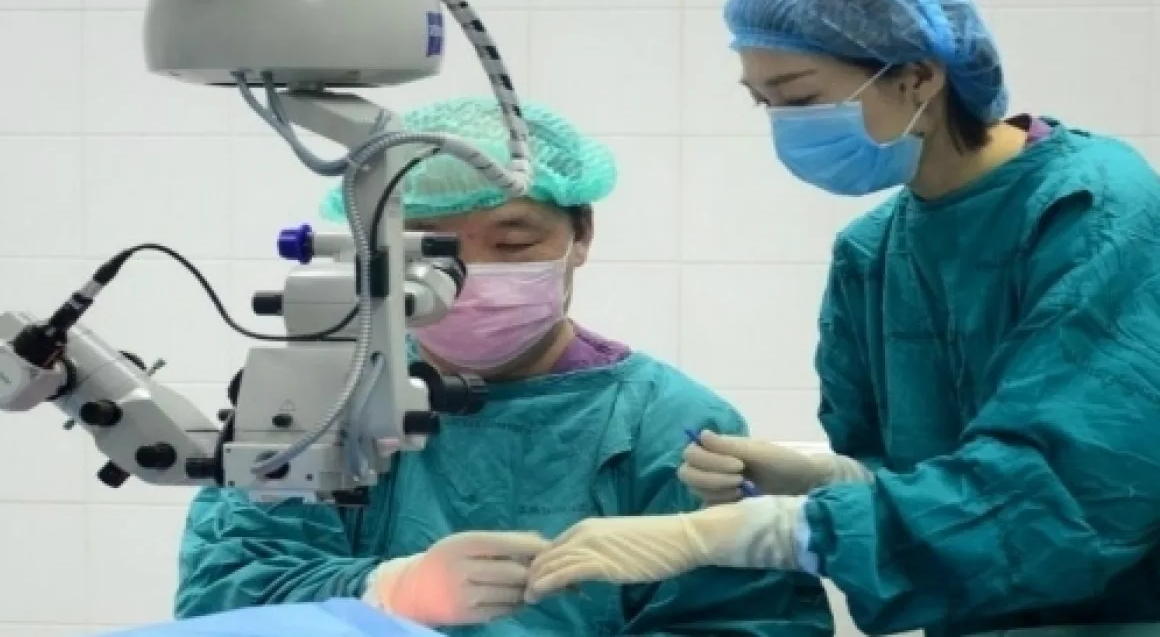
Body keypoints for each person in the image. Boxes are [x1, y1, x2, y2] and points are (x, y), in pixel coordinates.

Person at [523, 0, 1160, 636]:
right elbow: (930, 485)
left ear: (918, 76)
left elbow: (1069, 492)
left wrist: (736, 533)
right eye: (763, 102)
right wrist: (823, 478)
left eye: (799, 97)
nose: (784, 127)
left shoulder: (1093, 210)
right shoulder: (873, 253)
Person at [174, 96, 834, 637]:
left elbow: (747, 623)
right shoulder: (320, 398)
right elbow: (226, 601)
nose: (473, 275)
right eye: (432, 249)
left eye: (514, 242)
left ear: (582, 236)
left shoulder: (668, 423)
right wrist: (387, 591)